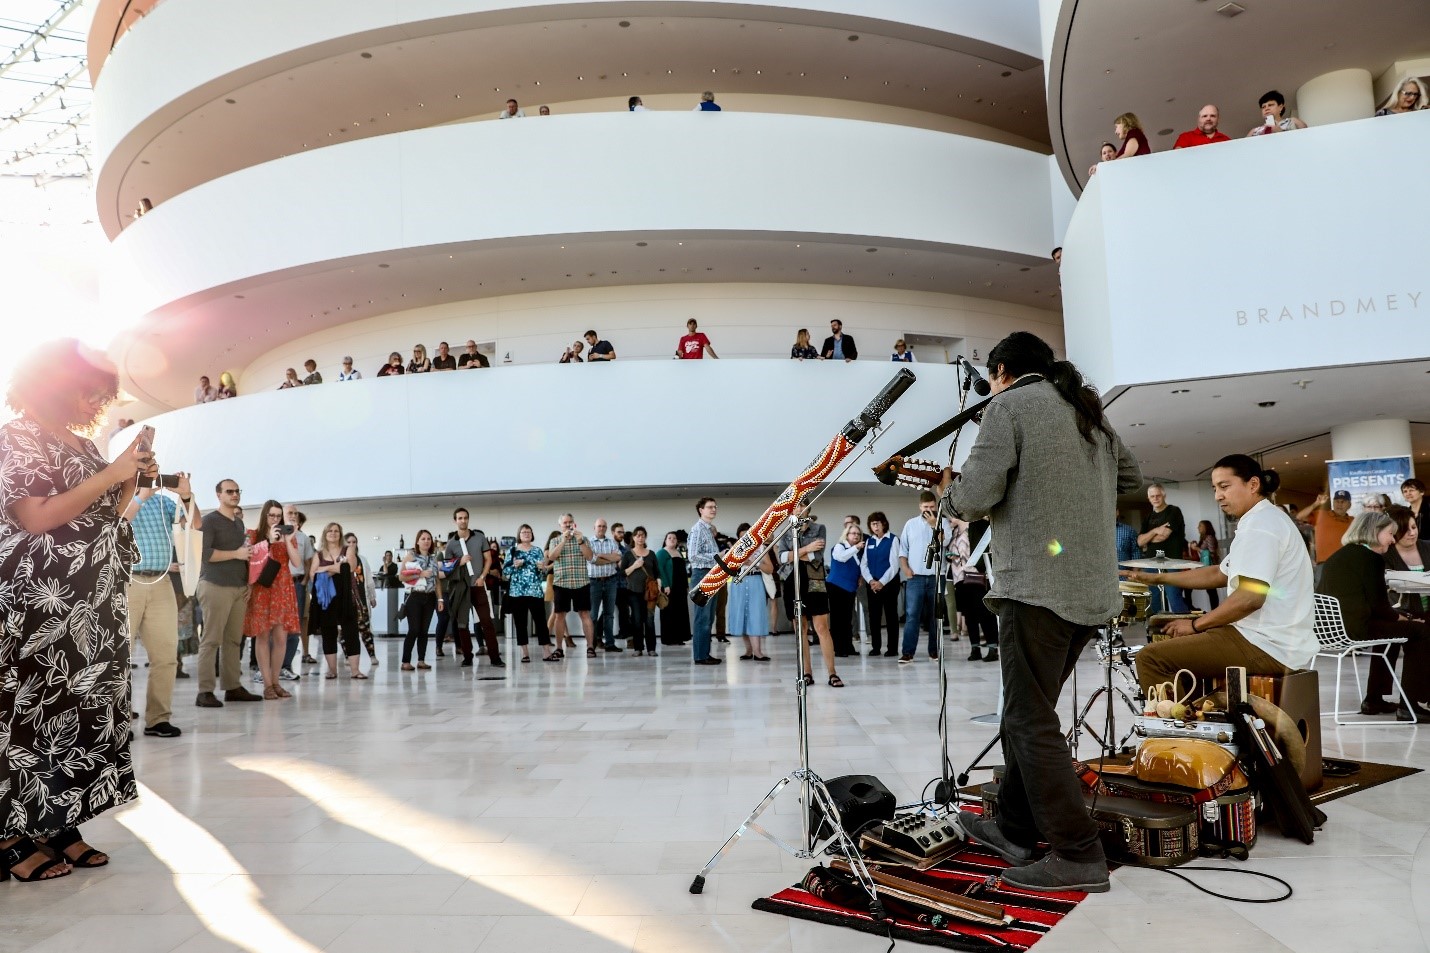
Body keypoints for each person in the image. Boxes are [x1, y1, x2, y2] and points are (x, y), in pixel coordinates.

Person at [941, 329, 1140, 894]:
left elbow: (974, 498)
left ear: (1002, 370)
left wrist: (948, 495)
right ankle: (1014, 827)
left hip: (1037, 588)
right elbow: (1131, 479)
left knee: (1030, 722)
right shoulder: (1085, 411)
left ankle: (1079, 853)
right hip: (1091, 593)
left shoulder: (1009, 406)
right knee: (1026, 715)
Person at [0, 340, 157, 882]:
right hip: (35, 601)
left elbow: (106, 513)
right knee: (26, 712)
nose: (98, 402)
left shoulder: (84, 448)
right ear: (58, 383)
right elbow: (36, 516)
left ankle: (56, 822)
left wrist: (128, 473)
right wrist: (110, 475)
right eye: (92, 391)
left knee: (77, 710)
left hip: (89, 604)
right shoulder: (18, 436)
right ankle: (10, 831)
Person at [1126, 454, 1315, 695]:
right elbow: (1218, 573)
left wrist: (1195, 625)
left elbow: (1250, 598)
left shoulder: (1262, 526)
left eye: (1225, 487)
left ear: (1253, 485)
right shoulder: (1261, 520)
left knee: (1151, 658)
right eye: (1215, 488)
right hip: (1268, 638)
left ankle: (1184, 729)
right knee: (1177, 645)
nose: (1218, 496)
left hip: (1267, 644)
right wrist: (1156, 578)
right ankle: (1202, 716)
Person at [1319, 511, 1430, 721]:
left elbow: (1375, 608)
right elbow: (1381, 607)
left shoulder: (1339, 555)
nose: (1392, 539)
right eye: (1390, 533)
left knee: (1394, 631)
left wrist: (1400, 617)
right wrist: (1405, 618)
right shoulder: (1371, 559)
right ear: (1375, 532)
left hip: (1330, 628)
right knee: (1420, 630)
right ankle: (1410, 705)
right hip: (1355, 629)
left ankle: (1374, 699)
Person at [123, 472, 195, 738]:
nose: (152, 476)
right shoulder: (115, 496)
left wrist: (186, 495)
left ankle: (158, 719)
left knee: (166, 656)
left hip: (162, 581)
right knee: (120, 658)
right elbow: (117, 526)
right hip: (126, 581)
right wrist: (140, 498)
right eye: (145, 470)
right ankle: (119, 722)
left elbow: (194, 524)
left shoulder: (163, 501)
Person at [196, 479, 262, 707]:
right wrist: (235, 554)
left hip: (238, 587)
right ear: (218, 495)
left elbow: (245, 555)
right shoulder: (209, 521)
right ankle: (204, 691)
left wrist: (249, 583)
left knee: (234, 640)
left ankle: (232, 686)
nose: (234, 495)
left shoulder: (238, 524)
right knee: (211, 640)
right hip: (215, 585)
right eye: (229, 491)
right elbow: (205, 554)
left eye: (237, 491)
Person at [777, 504, 842, 686]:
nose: (798, 510)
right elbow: (781, 558)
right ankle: (807, 673)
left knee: (821, 627)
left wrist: (794, 554)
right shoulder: (786, 531)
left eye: (802, 507)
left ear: (808, 509)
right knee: (800, 629)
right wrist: (806, 549)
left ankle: (832, 673)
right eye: (795, 508)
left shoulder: (819, 528)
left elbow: (816, 557)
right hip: (792, 580)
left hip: (814, 579)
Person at [243, 500, 300, 699]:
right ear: (264, 515)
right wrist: (269, 541)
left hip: (283, 587)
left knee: (281, 638)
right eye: (272, 515)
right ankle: (267, 684)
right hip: (262, 587)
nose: (275, 519)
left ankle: (276, 682)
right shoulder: (253, 534)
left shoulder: (287, 536)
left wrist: (288, 539)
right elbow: (251, 560)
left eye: (278, 516)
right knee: (262, 635)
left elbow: (296, 562)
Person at [444, 508, 505, 668]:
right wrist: (459, 562)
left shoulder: (480, 538)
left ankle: (495, 657)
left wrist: (482, 577)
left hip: (478, 585)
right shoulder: (451, 544)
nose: (463, 521)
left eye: (465, 518)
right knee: (462, 624)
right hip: (461, 589)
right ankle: (467, 657)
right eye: (459, 518)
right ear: (455, 521)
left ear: (468, 519)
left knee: (487, 622)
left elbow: (488, 559)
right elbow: (447, 569)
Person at [898, 492, 953, 662]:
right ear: (920, 506)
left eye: (931, 507)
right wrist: (905, 569)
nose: (928, 510)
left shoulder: (943, 523)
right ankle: (907, 653)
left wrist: (933, 525)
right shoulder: (910, 524)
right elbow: (903, 550)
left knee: (935, 616)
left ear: (936, 506)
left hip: (938, 576)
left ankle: (934, 651)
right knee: (912, 615)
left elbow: (945, 542)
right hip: (915, 577)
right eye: (925, 507)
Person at [310, 523, 364, 679]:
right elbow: (313, 575)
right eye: (330, 531)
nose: (333, 533)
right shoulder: (318, 554)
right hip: (326, 599)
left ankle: (355, 670)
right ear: (325, 534)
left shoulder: (348, 549)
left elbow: (351, 567)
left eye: (336, 531)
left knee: (351, 632)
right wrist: (338, 566)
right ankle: (332, 670)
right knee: (328, 633)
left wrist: (325, 569)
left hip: (346, 596)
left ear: (340, 534)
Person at [547, 514, 597, 657]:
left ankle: (590, 647)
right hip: (562, 583)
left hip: (581, 582)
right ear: (560, 525)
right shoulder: (555, 540)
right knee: (559, 615)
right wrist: (563, 541)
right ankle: (559, 648)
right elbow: (552, 557)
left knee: (585, 614)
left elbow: (590, 557)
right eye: (565, 523)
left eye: (570, 522)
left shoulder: (584, 539)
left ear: (574, 524)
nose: (568, 525)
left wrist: (580, 542)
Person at [1138, 484, 1190, 614]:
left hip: (1171, 561)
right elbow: (1140, 541)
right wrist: (1156, 530)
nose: (1155, 498)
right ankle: (1157, 633)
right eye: (1152, 496)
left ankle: (1186, 631)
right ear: (1148, 498)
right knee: (1153, 600)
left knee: (1174, 597)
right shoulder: (1148, 518)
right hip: (1151, 562)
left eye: (1158, 495)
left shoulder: (1174, 511)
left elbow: (1164, 535)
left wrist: (1149, 537)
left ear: (1164, 495)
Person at [504, 524, 553, 662]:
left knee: (541, 622)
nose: (526, 534)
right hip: (517, 592)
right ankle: (524, 653)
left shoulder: (537, 550)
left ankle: (546, 652)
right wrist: (515, 566)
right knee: (520, 623)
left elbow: (543, 571)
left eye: (529, 532)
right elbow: (505, 573)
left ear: (532, 534)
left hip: (535, 591)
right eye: (523, 532)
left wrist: (543, 568)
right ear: (519, 534)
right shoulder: (512, 551)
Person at [953, 519, 998, 661]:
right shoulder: (954, 532)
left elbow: (984, 549)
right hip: (959, 577)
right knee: (969, 615)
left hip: (977, 576)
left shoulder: (977, 525)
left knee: (985, 613)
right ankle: (975, 648)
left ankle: (992, 648)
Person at [859, 511, 902, 657]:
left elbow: (894, 565)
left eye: (877, 523)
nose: (875, 527)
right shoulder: (869, 541)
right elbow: (863, 564)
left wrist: (882, 582)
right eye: (872, 524)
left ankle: (892, 648)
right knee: (874, 616)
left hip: (889, 584)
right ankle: (875, 647)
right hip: (872, 584)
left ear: (884, 523)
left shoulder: (893, 539)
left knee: (891, 616)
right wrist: (871, 580)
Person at [399, 529, 443, 670]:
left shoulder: (434, 558)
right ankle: (406, 661)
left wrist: (440, 599)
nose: (426, 541)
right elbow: (401, 577)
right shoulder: (411, 556)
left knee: (424, 630)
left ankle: (421, 660)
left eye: (428, 539)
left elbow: (437, 580)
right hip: (415, 596)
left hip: (429, 597)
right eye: (423, 539)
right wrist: (420, 574)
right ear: (418, 541)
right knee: (414, 629)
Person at [688, 498, 722, 664]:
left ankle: (704, 653)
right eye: (709, 507)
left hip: (711, 574)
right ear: (701, 510)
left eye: (715, 507)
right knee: (702, 618)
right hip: (702, 575)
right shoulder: (698, 529)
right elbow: (692, 555)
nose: (713, 509)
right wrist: (718, 556)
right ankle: (700, 656)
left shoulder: (708, 530)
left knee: (708, 618)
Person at [282, 504, 315, 673]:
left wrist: (304, 583)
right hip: (280, 586)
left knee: (296, 625)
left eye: (295, 513)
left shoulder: (304, 538)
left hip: (297, 584)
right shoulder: (276, 534)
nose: (293, 515)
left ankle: (287, 665)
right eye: (290, 512)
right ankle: (275, 665)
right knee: (279, 625)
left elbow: (309, 562)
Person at [621, 527, 662, 657]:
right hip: (633, 592)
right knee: (637, 620)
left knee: (649, 620)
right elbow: (622, 573)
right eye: (637, 535)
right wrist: (635, 566)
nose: (640, 538)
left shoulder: (651, 554)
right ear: (633, 538)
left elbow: (657, 572)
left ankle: (651, 648)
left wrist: (659, 582)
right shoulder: (628, 554)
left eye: (642, 535)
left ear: (645, 537)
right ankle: (638, 648)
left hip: (650, 592)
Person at [1296, 489, 1354, 578]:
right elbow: (1300, 517)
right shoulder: (1321, 515)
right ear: (1333, 503)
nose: (1340, 504)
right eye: (1337, 501)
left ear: (1349, 505)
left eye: (1343, 501)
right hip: (1324, 564)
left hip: (1347, 564)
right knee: (1323, 591)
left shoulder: (1353, 521)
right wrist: (1316, 503)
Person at [828, 523, 864, 657]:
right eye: (853, 533)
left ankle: (848, 646)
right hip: (837, 586)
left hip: (850, 588)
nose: (856, 536)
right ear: (847, 535)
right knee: (838, 619)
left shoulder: (858, 551)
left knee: (847, 619)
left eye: (858, 534)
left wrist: (860, 575)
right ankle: (838, 648)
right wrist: (855, 547)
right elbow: (841, 557)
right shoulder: (840, 546)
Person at [345, 532, 380, 668]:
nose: (352, 544)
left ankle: (372, 656)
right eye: (349, 542)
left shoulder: (362, 560)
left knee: (365, 630)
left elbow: (369, 579)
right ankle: (348, 656)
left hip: (361, 600)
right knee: (345, 631)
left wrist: (372, 597)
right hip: (347, 601)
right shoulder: (341, 559)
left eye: (354, 542)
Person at [588, 518, 623, 651]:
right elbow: (592, 559)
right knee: (593, 615)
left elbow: (618, 558)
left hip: (610, 581)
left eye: (603, 526)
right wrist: (609, 557)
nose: (601, 528)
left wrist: (601, 555)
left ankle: (610, 643)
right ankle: (591, 644)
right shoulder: (588, 542)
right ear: (594, 527)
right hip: (594, 582)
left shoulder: (613, 542)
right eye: (599, 526)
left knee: (609, 614)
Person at [656, 531, 691, 646]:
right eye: (669, 538)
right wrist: (665, 585)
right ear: (665, 540)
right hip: (669, 587)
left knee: (680, 612)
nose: (672, 539)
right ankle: (669, 638)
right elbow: (659, 569)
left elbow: (683, 571)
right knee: (669, 612)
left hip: (680, 587)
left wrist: (686, 586)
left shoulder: (679, 552)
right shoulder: (662, 553)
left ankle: (679, 637)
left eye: (674, 538)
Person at [1196, 519, 1222, 609]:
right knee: (1210, 590)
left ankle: (1215, 609)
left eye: (1200, 526)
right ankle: (1214, 609)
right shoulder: (1204, 538)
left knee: (1211, 591)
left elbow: (1211, 552)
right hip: (1207, 567)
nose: (1198, 528)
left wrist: (1196, 549)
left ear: (1206, 527)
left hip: (1210, 567)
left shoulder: (1209, 537)